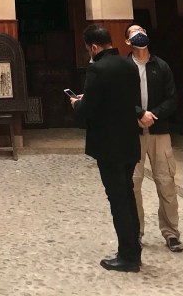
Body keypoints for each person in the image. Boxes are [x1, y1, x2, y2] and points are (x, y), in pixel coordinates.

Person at [71, 24, 142, 272]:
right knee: (128, 195)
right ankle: (134, 250)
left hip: (108, 144)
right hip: (129, 140)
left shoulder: (97, 69)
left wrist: (76, 103)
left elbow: (87, 109)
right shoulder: (129, 65)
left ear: (93, 47)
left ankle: (128, 256)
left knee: (117, 199)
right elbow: (125, 101)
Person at [124, 23, 183, 253]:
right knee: (133, 183)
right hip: (133, 132)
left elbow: (172, 98)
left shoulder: (161, 66)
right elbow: (120, 97)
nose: (139, 34)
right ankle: (136, 232)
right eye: (133, 32)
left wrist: (153, 114)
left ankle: (171, 233)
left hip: (159, 131)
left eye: (141, 31)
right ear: (128, 41)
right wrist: (139, 113)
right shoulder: (124, 67)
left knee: (166, 181)